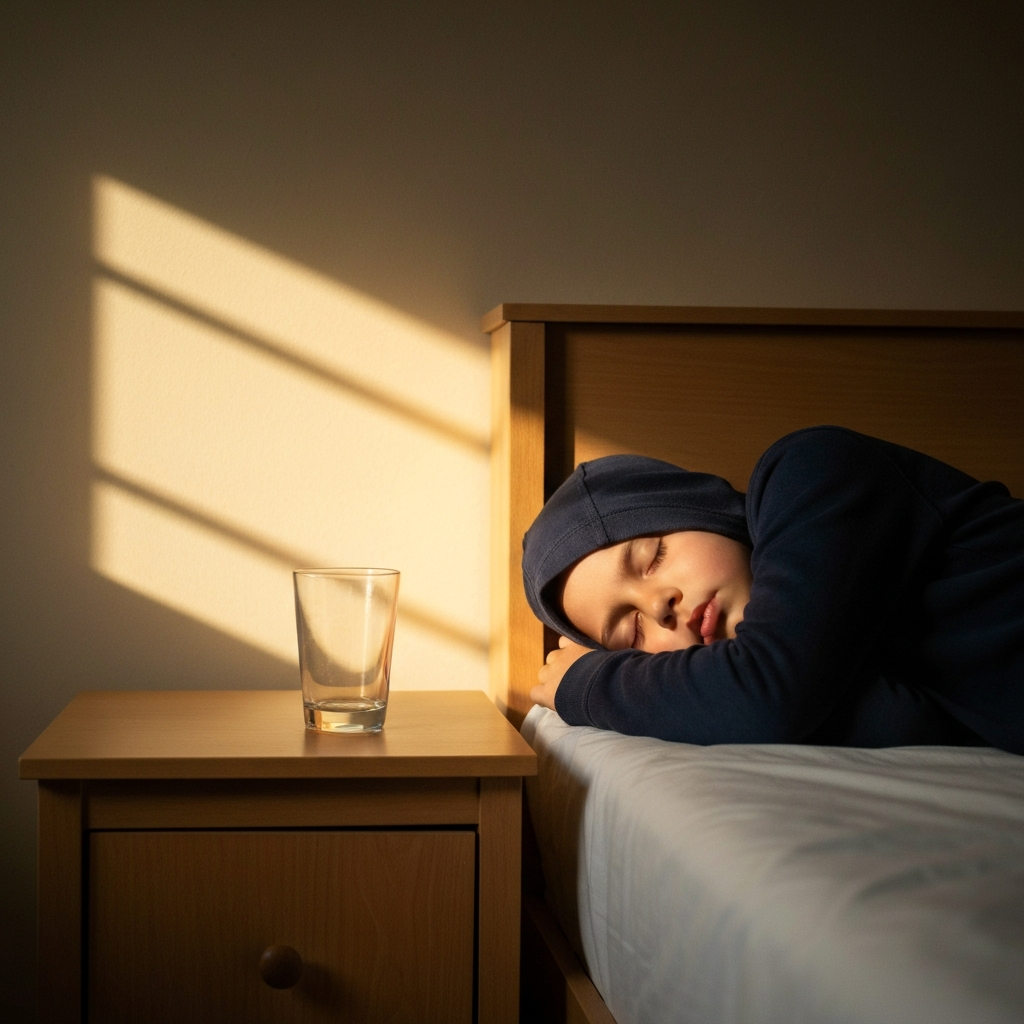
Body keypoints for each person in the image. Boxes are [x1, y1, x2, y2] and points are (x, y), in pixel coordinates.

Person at [522, 426, 1024, 753]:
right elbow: (910, 727)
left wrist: (586, 684)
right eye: (631, 632)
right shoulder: (817, 670)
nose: (659, 606)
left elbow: (766, 695)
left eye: (653, 557)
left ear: (702, 510)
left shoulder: (811, 470)